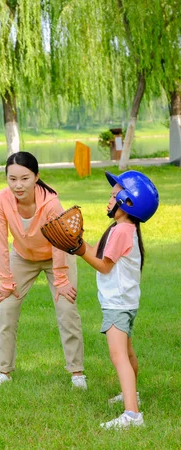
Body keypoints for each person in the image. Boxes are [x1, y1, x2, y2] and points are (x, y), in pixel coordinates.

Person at [0, 151, 86, 390]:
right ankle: (3, 371)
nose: (18, 185)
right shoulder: (1, 201)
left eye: (25, 178)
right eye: (12, 179)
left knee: (66, 309)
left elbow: (60, 243)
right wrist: (5, 279)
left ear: (36, 177)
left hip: (56, 256)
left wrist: (61, 279)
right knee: (6, 310)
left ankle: (77, 373)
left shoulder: (51, 203)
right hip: (22, 257)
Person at [77, 170, 158, 429]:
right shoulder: (124, 228)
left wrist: (78, 251)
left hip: (117, 304)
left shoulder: (121, 230)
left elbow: (103, 266)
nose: (110, 199)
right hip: (127, 302)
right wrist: (78, 242)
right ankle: (130, 395)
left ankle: (132, 415)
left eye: (115, 195)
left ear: (129, 202)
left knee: (118, 355)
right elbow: (102, 255)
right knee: (128, 352)